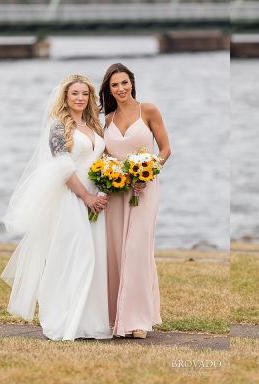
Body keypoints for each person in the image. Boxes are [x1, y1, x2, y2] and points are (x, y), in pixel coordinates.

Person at [2, 74, 112, 341]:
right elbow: (62, 166)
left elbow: (101, 159)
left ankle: (90, 323)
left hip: (95, 201)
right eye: (74, 93)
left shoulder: (93, 125)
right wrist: (85, 196)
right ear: (65, 97)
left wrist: (105, 186)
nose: (79, 98)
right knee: (74, 257)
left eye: (84, 94)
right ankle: (61, 320)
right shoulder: (58, 127)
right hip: (70, 199)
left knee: (93, 259)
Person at [100, 63, 171, 339]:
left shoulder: (149, 110)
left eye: (124, 83)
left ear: (132, 83)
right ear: (109, 89)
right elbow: (104, 157)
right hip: (117, 193)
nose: (121, 89)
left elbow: (165, 149)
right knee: (117, 251)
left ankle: (139, 320)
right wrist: (108, 175)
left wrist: (149, 170)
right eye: (115, 85)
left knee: (138, 250)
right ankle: (117, 316)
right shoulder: (107, 120)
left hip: (144, 190)